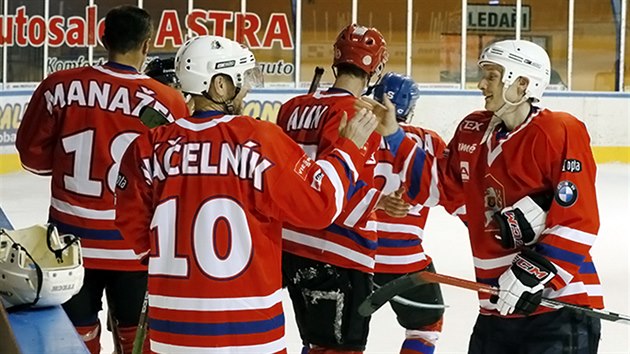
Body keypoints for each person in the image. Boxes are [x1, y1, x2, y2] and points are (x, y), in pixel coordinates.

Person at [113, 34, 383, 354]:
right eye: (241, 80)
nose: (247, 89)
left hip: (172, 331)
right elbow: (320, 204)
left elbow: (132, 227)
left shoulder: (147, 146)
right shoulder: (259, 139)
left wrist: (166, 258)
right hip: (249, 332)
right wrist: (348, 149)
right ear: (220, 86)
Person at [15, 5, 189, 354]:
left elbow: (32, 158)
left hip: (70, 244)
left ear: (102, 38)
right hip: (134, 247)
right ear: (147, 45)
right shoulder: (167, 101)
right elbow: (177, 176)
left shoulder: (58, 86)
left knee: (77, 339)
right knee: (135, 341)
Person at [438, 39, 602, 353]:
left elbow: (579, 219)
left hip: (558, 308)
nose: (481, 83)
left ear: (522, 82)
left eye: (492, 76)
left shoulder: (558, 131)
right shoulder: (473, 130)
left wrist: (530, 274)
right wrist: (392, 136)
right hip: (496, 308)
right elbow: (447, 190)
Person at [277, 24, 423, 353]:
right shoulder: (361, 116)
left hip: (291, 249)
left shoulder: (292, 108)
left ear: (336, 60)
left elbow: (288, 177)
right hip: (338, 253)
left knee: (315, 343)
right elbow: (338, 193)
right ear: (377, 68)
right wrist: (379, 202)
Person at [371, 72, 447, 354]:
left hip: (357, 256)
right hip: (407, 261)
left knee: (329, 338)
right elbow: (446, 191)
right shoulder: (430, 140)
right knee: (425, 328)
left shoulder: (355, 131)